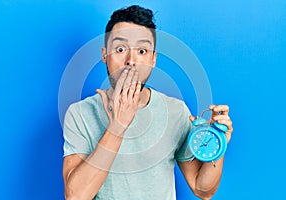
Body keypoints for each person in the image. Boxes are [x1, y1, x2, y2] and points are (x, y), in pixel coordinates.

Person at [62, 5, 233, 200]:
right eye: (120, 49)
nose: (131, 61)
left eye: (142, 51)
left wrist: (217, 144)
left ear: (153, 59)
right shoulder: (80, 114)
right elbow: (75, 196)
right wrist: (117, 127)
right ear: (104, 54)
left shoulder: (175, 111)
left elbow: (203, 190)